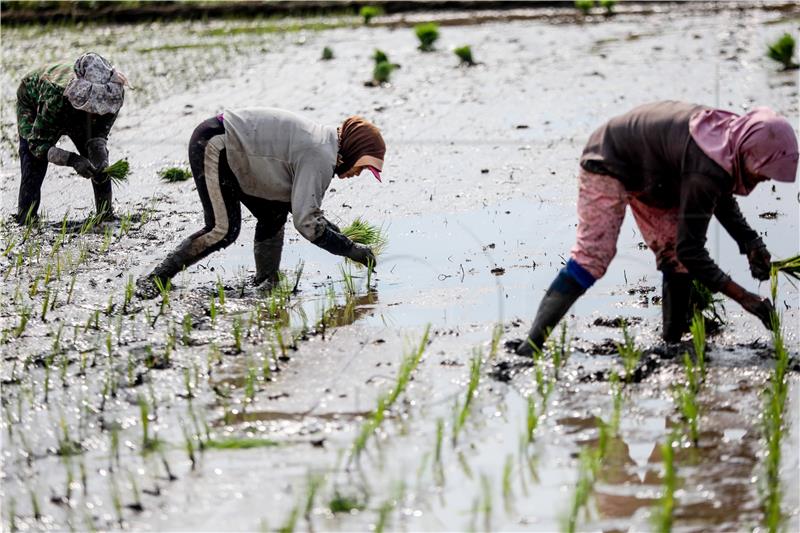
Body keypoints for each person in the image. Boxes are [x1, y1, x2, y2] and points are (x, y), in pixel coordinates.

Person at [509, 101, 798, 356]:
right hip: (609, 160)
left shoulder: (729, 142)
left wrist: (750, 242)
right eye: (764, 171)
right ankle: (530, 346)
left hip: (654, 173)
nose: (765, 180)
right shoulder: (708, 165)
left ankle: (671, 342)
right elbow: (692, 249)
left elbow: (718, 191)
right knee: (594, 256)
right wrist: (745, 298)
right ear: (749, 152)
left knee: (672, 251)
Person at [137, 108, 385, 296]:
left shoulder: (324, 146)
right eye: (362, 167)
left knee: (273, 213)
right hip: (216, 144)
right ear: (354, 149)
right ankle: (157, 277)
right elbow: (308, 223)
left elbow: (302, 210)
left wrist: (343, 239)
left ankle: (267, 280)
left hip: (238, 152)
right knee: (222, 230)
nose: (357, 173)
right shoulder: (320, 154)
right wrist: (353, 250)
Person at [15, 52, 127, 223]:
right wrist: (73, 160)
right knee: (33, 162)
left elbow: (99, 136)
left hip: (71, 109)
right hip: (34, 101)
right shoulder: (55, 97)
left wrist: (100, 157)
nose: (97, 109)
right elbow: (38, 145)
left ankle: (105, 214)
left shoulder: (114, 94)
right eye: (93, 103)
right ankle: (26, 217)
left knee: (99, 165)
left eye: (100, 104)